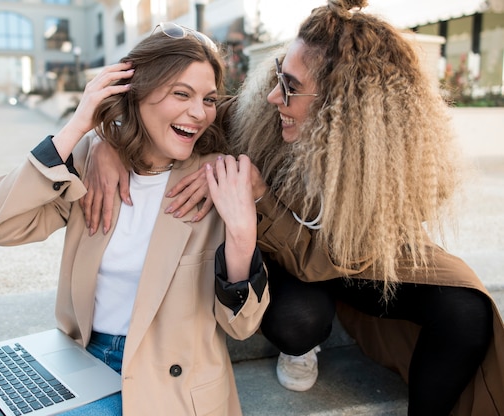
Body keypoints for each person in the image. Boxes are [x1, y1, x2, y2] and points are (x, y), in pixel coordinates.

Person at [80, 2, 504, 415]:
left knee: (466, 313)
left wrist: (260, 192)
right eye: (280, 74)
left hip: (363, 260)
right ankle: (305, 346)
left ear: (345, 106)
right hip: (288, 256)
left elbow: (334, 259)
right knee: (297, 321)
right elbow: (185, 119)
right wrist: (110, 139)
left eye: (291, 87)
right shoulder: (264, 114)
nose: (271, 95)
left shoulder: (399, 157)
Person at [0, 22, 269, 416]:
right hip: (78, 358)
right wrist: (81, 126)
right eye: (181, 93)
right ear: (135, 93)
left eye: (208, 99)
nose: (198, 112)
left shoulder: (216, 179)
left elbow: (242, 326)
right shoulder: (90, 159)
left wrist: (242, 236)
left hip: (165, 381)